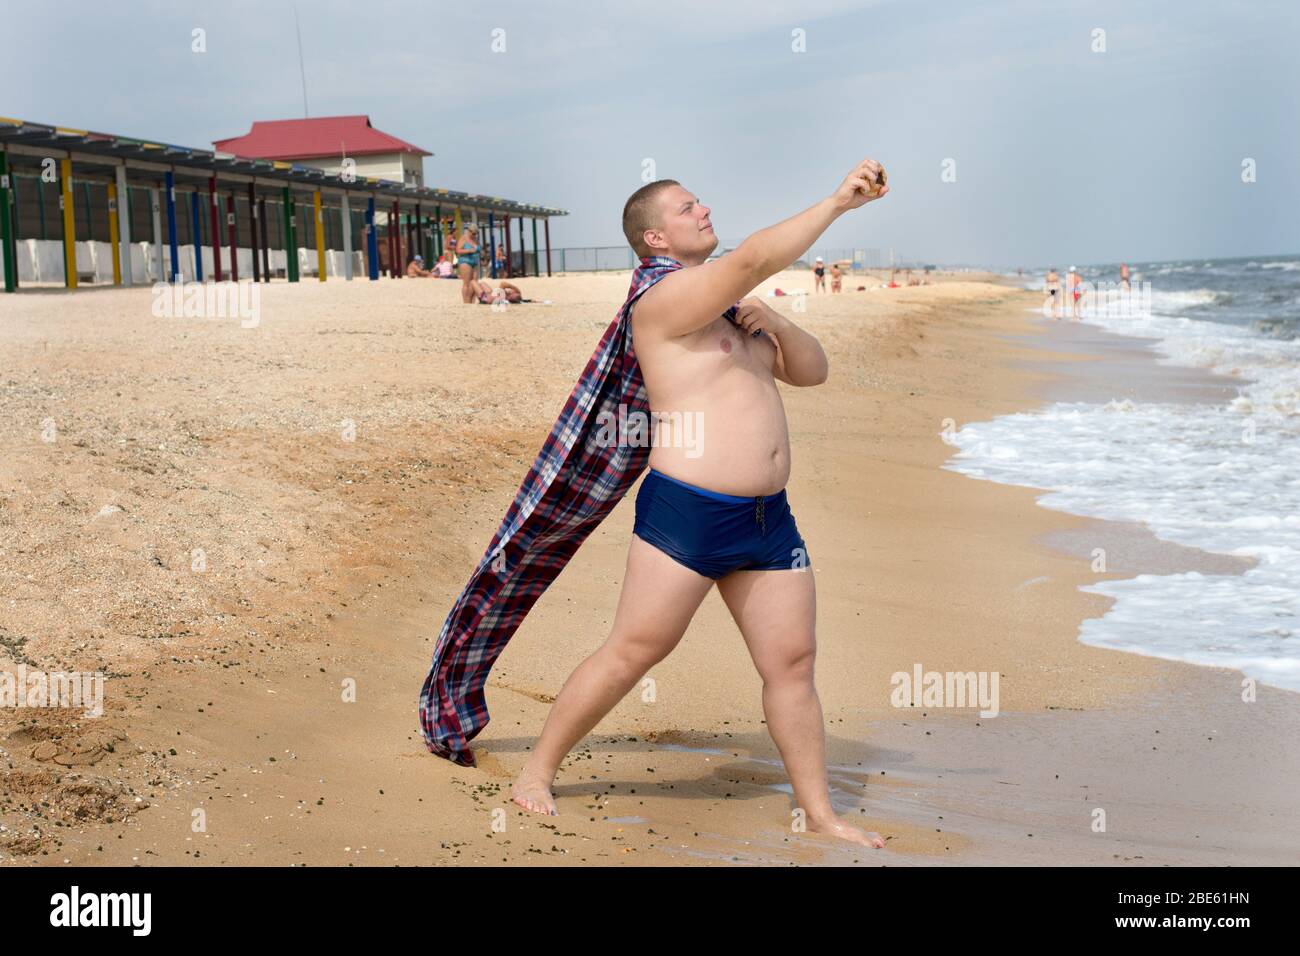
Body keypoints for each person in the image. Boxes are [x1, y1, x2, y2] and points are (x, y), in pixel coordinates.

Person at [501, 159, 890, 849]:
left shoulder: (733, 312)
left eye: (700, 200)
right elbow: (754, 257)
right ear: (655, 238)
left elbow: (811, 371)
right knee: (633, 652)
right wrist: (836, 202)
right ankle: (537, 770)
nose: (703, 209)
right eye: (686, 208)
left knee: (793, 666)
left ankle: (821, 812)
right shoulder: (662, 301)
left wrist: (773, 320)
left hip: (769, 522)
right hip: (688, 512)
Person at [456, 224, 481, 303]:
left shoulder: (476, 239)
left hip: (475, 262)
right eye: (473, 233)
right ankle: (466, 301)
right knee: (466, 283)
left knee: (474, 283)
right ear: (469, 231)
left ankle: (471, 301)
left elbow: (478, 249)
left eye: (476, 233)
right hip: (465, 261)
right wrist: (469, 250)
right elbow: (458, 250)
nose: (474, 235)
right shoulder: (464, 238)